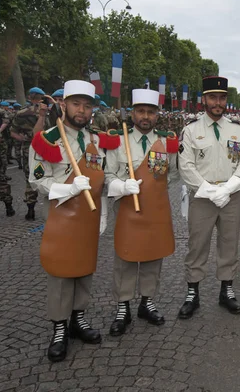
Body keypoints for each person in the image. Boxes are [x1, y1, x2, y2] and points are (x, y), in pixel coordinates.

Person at [29, 80, 106, 362]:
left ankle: (78, 318)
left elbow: (101, 181)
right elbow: (37, 179)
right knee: (62, 273)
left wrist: (104, 212)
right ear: (64, 105)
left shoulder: (97, 141)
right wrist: (68, 188)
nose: (81, 110)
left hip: (88, 216)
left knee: (84, 269)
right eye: (76, 104)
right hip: (62, 215)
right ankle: (59, 328)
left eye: (87, 106)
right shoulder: (47, 139)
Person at [104, 89, 179, 335]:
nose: (145, 116)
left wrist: (154, 192)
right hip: (127, 204)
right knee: (125, 256)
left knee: (152, 254)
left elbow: (174, 173)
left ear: (157, 115)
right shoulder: (117, 139)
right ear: (132, 113)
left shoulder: (166, 142)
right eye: (140, 111)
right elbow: (108, 174)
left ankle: (147, 302)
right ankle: (123, 307)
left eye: (150, 112)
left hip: (155, 207)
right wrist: (122, 186)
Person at [178, 76, 240, 319]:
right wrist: (211, 191)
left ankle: (226, 289)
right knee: (197, 245)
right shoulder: (190, 131)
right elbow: (186, 166)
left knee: (229, 243)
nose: (217, 102)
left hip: (230, 195)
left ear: (225, 100)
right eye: (213, 97)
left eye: (221, 98)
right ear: (204, 100)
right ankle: (192, 292)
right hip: (202, 196)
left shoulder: (238, 131)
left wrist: (227, 189)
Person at [11, 87, 49, 220]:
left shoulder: (21, 113)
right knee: (49, 175)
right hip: (46, 147)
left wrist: (23, 139)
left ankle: (30, 209)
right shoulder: (48, 111)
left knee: (30, 178)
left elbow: (13, 132)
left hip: (29, 148)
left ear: (29, 97)